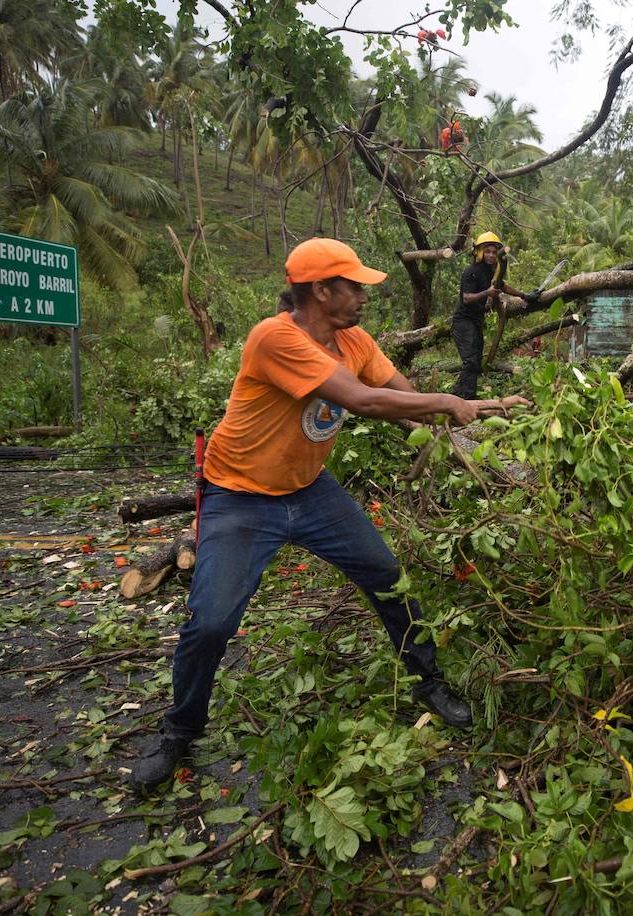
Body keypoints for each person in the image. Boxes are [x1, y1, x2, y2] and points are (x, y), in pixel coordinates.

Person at [130, 237, 527, 793]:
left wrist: (474, 421)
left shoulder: (355, 340)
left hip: (309, 489)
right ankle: (180, 731)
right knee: (213, 621)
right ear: (321, 290)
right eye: (354, 285)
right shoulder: (275, 338)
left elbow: (400, 396)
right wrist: (448, 401)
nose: (364, 295)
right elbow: (363, 401)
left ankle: (427, 681)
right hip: (241, 496)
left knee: (389, 579)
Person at [451, 231, 542, 400]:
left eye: (494, 252)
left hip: (477, 321)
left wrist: (525, 295)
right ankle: (463, 399)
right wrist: (487, 292)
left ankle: (464, 397)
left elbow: (502, 286)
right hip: (463, 322)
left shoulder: (490, 271)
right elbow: (467, 298)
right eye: (487, 251)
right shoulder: (470, 272)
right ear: (479, 252)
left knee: (475, 362)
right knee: (470, 361)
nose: (491, 255)